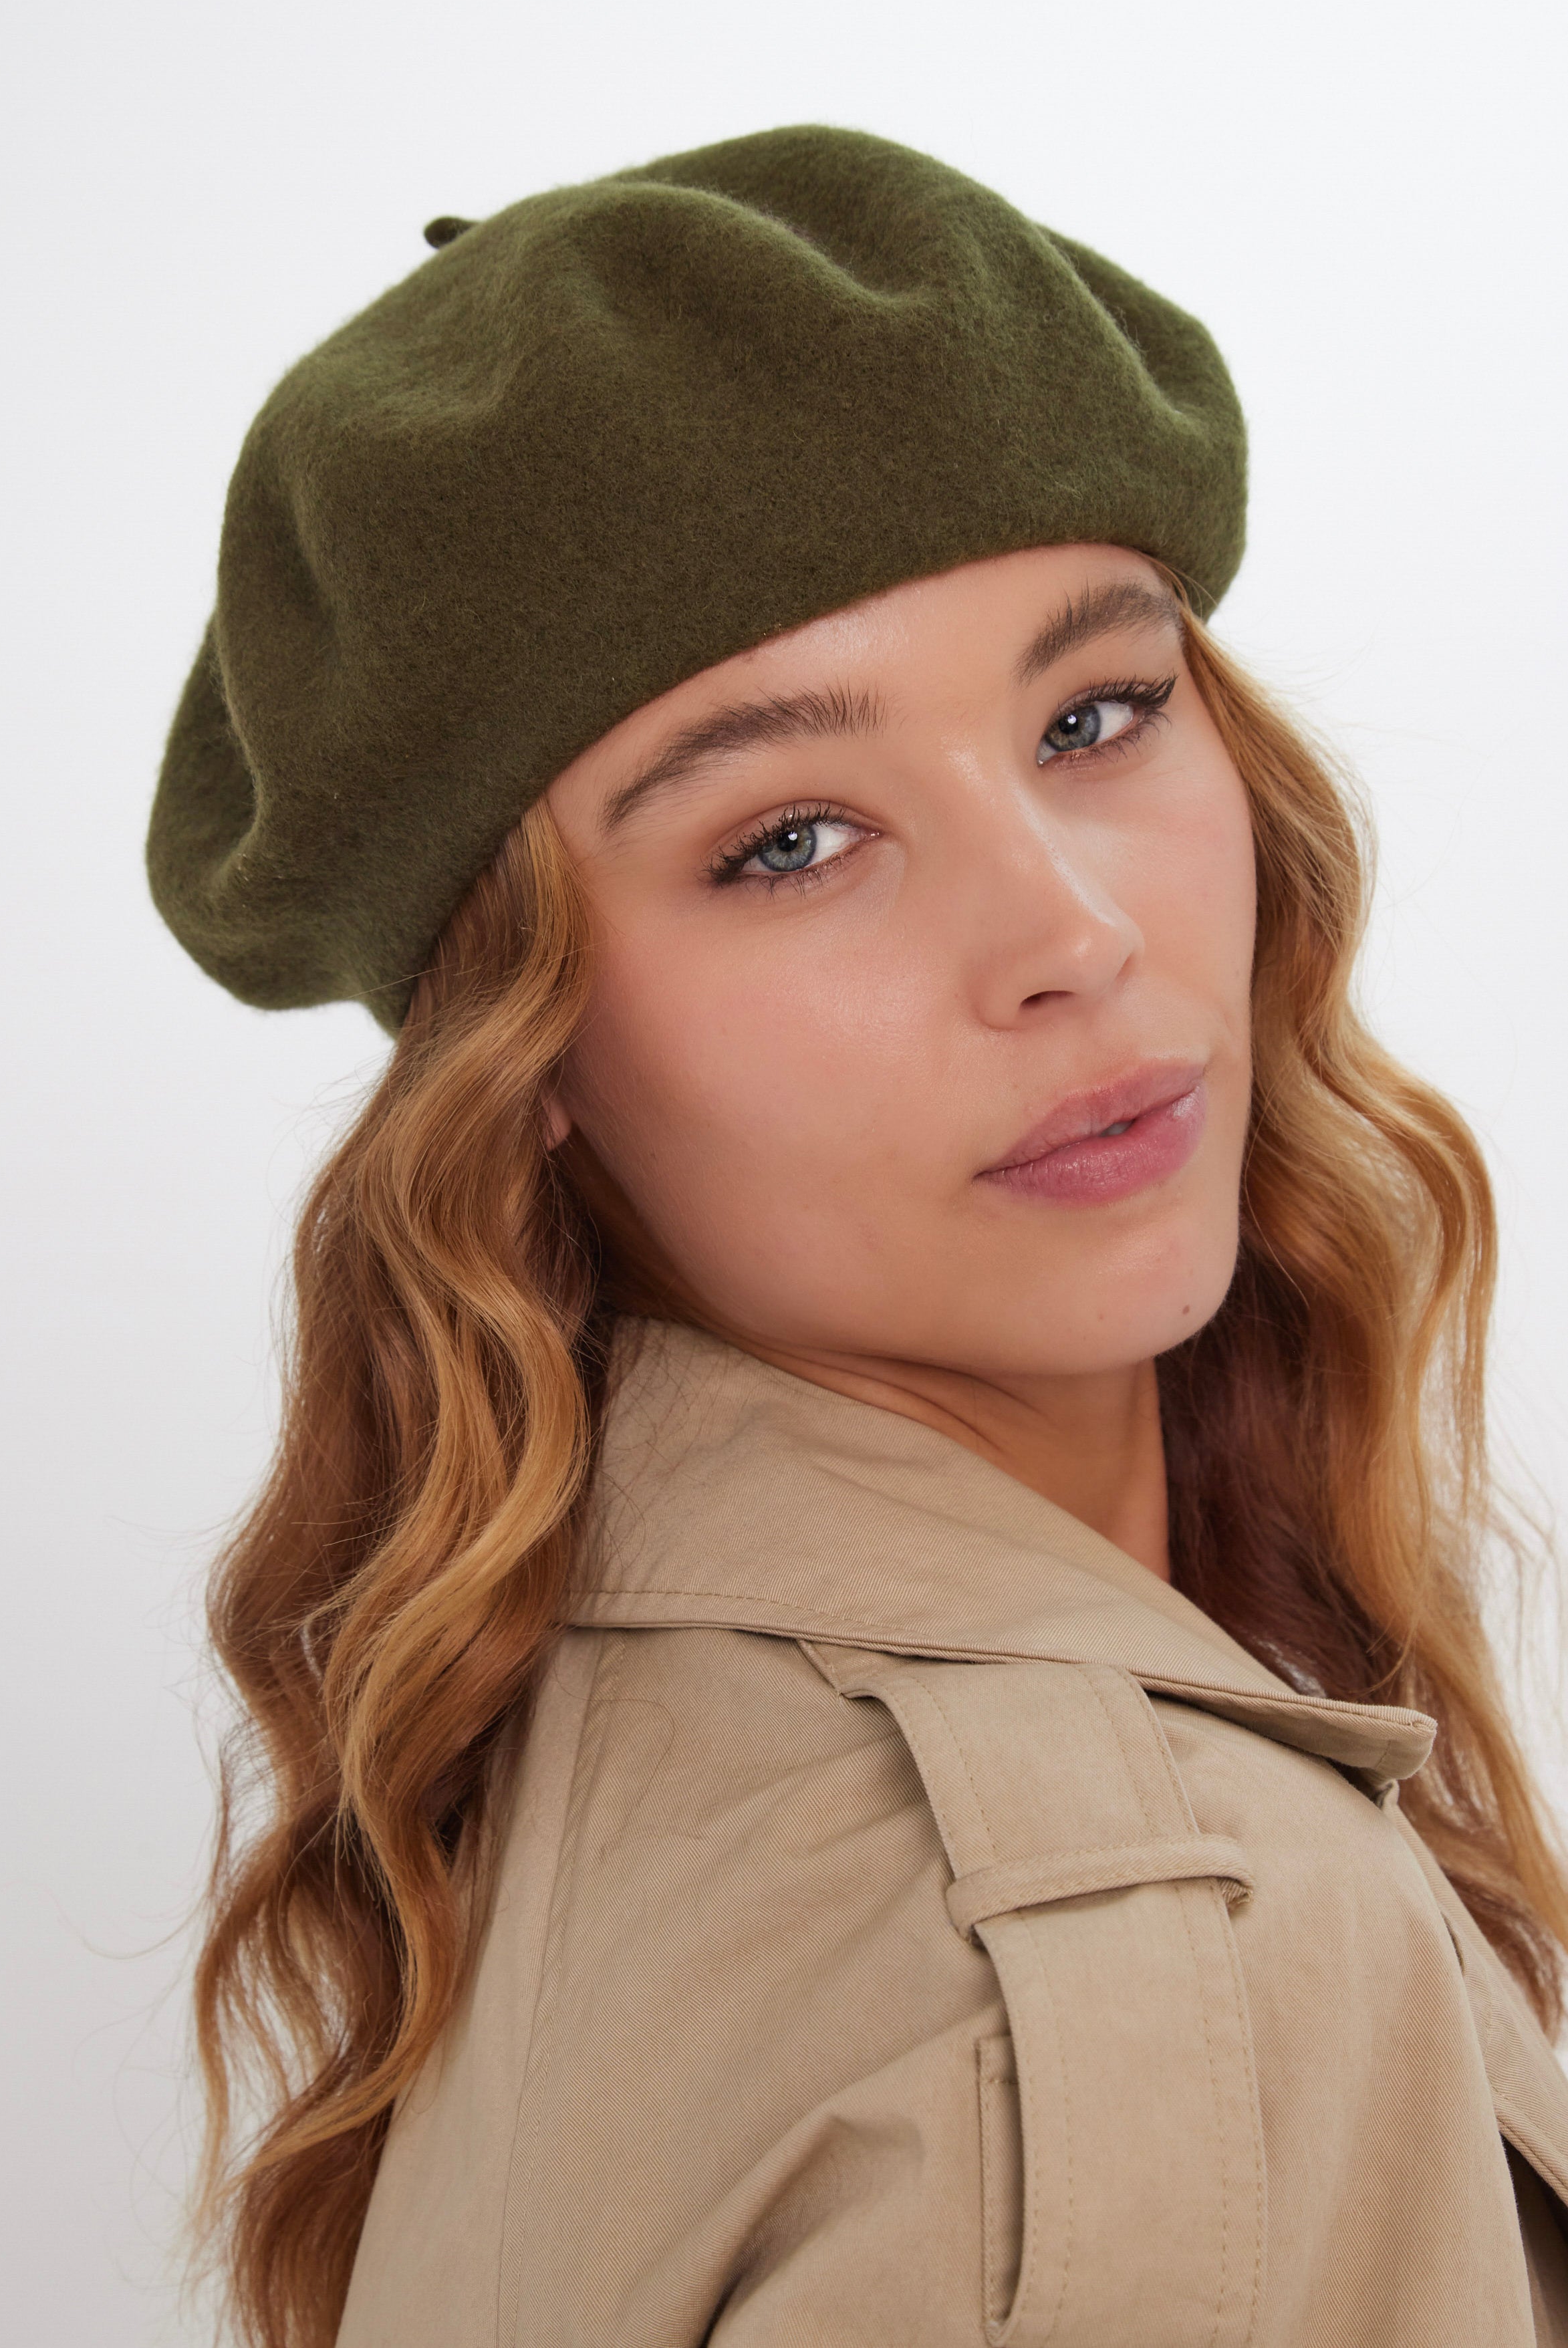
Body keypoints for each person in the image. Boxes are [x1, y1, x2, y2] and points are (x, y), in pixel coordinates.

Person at [148, 126, 1568, 2348]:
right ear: (522, 1059)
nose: (1073, 936)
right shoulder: (1158, 1963)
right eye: (791, 838)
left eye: (1094, 715)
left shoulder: (593, 1734)